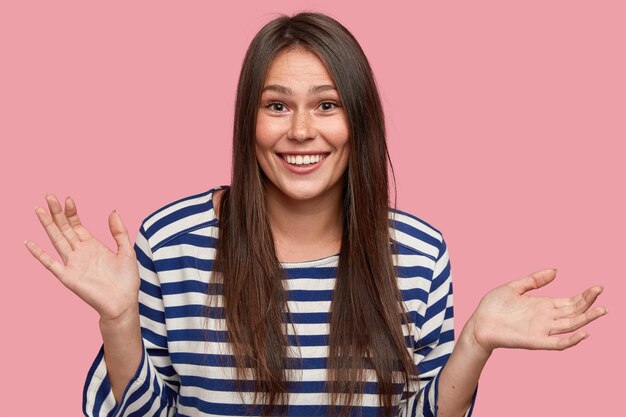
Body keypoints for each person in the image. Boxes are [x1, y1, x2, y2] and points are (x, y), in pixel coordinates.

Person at [25, 12, 607, 417]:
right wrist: (120, 319)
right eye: (276, 106)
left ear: (359, 120)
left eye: (326, 105)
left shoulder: (417, 253)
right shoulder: (173, 242)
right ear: (247, 122)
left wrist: (475, 342)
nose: (301, 131)